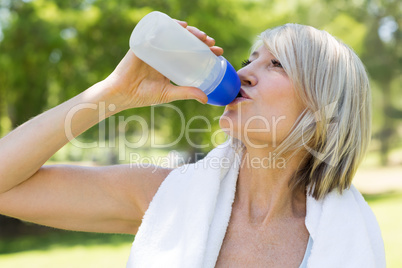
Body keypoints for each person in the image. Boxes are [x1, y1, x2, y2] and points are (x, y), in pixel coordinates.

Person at [0, 19, 385, 268]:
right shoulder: (162, 196)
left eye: (277, 64)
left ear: (324, 109)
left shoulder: (346, 236)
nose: (244, 72)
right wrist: (115, 93)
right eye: (251, 59)